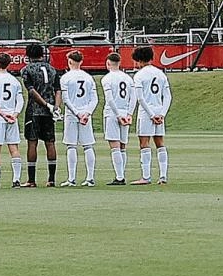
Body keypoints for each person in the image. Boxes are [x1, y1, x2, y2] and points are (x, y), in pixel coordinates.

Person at [18, 43, 60, 187]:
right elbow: (58, 90)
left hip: (34, 110)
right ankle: (51, 179)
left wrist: (45, 104)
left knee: (32, 142)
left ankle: (31, 180)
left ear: (28, 55)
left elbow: (31, 90)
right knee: (50, 142)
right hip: (49, 112)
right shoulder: (52, 69)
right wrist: (55, 107)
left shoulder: (26, 70)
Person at [131, 46, 171, 185]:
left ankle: (146, 177)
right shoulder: (160, 74)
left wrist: (151, 114)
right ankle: (163, 176)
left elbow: (140, 98)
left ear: (139, 60)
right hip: (159, 111)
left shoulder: (139, 75)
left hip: (146, 113)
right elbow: (167, 96)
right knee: (160, 143)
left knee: (144, 143)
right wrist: (162, 114)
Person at [58, 51, 97, 187]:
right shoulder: (88, 77)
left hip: (72, 114)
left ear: (69, 62)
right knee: (88, 146)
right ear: (81, 61)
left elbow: (66, 99)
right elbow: (94, 99)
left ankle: (71, 178)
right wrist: (87, 113)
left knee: (71, 145)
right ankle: (90, 177)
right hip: (85, 114)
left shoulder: (65, 78)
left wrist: (77, 113)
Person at [0, 52, 25, 188]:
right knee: (13, 147)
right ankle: (16, 180)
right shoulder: (14, 81)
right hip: (11, 118)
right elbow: (20, 100)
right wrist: (14, 114)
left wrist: (2, 114)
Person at [100, 52, 135, 185]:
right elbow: (133, 98)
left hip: (113, 113)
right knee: (122, 146)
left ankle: (120, 177)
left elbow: (109, 99)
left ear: (108, 63)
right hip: (125, 112)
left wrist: (118, 115)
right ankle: (121, 174)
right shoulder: (128, 78)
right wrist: (129, 114)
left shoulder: (107, 79)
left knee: (114, 146)